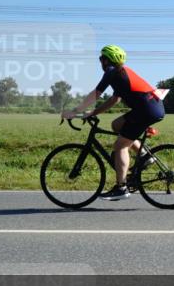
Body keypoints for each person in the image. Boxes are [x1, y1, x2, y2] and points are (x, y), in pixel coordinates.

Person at [62, 45, 165, 200]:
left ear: (107, 60)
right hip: (151, 108)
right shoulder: (120, 74)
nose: (100, 62)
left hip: (146, 110)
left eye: (101, 58)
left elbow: (96, 94)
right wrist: (93, 113)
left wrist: (75, 111)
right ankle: (144, 155)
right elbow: (114, 100)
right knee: (116, 125)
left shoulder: (112, 71)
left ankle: (121, 188)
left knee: (120, 146)